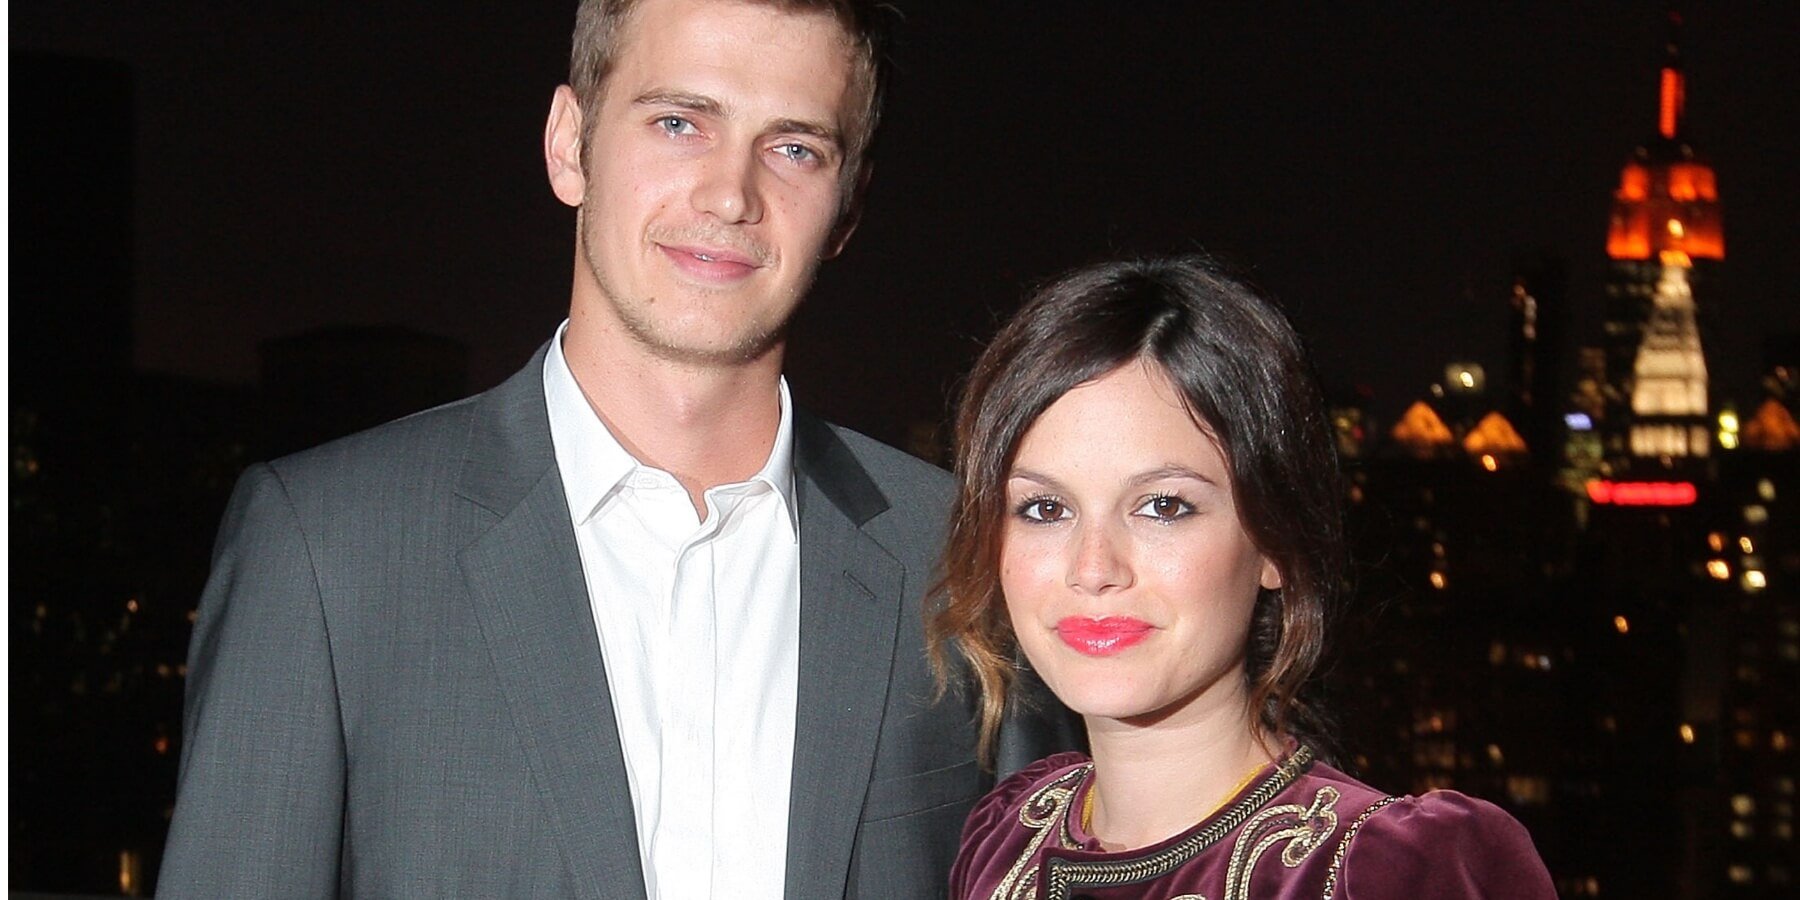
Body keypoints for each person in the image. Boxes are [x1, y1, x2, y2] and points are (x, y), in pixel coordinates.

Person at [158, 1, 1064, 896]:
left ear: (848, 205)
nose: (730, 195)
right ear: (569, 144)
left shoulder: (965, 557)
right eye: (679, 123)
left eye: (794, 148)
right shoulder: (327, 548)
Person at [930, 256, 1557, 899]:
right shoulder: (1006, 837)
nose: (1093, 569)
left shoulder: (1389, 870)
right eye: (1045, 509)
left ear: (1274, 540)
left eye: (1164, 507)